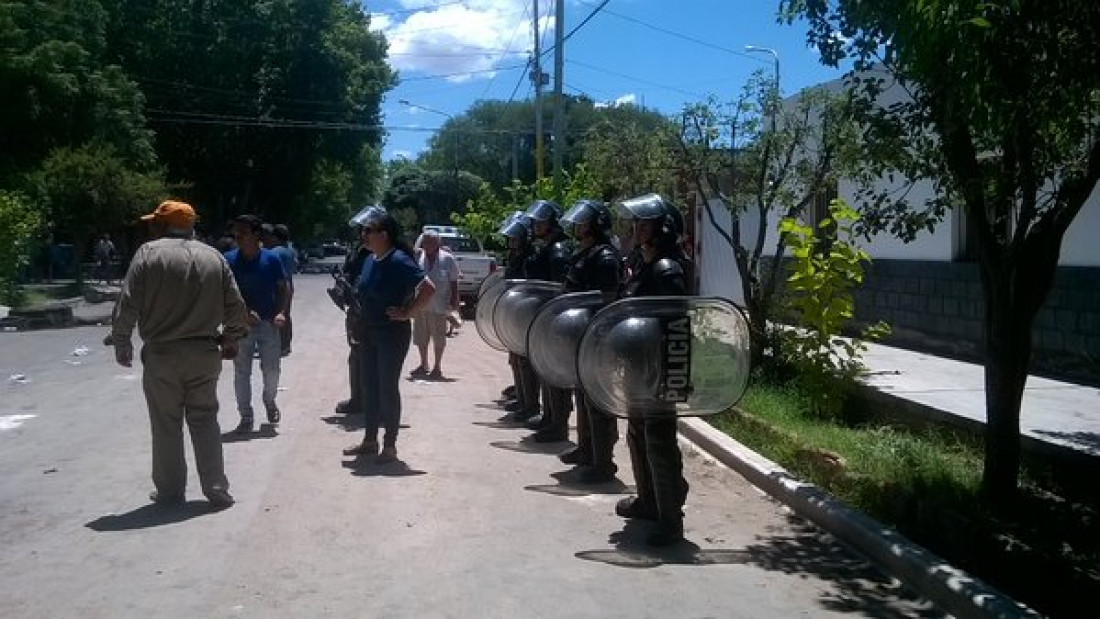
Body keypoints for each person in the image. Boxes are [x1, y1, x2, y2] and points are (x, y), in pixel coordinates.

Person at [106, 200, 248, 509]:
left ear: (159, 225)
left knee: (166, 424)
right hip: (205, 352)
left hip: (163, 355)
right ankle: (215, 488)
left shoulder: (148, 254)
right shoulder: (214, 257)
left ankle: (170, 492)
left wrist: (121, 340)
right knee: (205, 420)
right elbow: (237, 307)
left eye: (152, 223)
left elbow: (127, 302)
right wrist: (231, 338)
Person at [612, 193, 695, 546]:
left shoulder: (667, 268)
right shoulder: (647, 264)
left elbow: (672, 324)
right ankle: (649, 501)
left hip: (659, 366)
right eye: (637, 223)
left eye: (644, 223)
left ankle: (670, 518)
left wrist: (670, 373)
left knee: (658, 440)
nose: (637, 229)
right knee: (638, 433)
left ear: (662, 228)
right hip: (639, 364)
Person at [342, 207, 435, 464]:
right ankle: (370, 441)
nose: (364, 235)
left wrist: (408, 313)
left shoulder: (398, 260)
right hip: (369, 332)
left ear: (384, 234)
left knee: (387, 389)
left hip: (391, 335)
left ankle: (390, 446)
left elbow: (428, 288)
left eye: (368, 231)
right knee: (369, 387)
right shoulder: (371, 260)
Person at [557, 199, 623, 483]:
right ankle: (587, 450)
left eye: (584, 222)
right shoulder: (587, 252)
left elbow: (604, 301)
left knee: (597, 401)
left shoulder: (605, 257)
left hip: (597, 337)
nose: (579, 226)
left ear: (596, 225)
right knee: (583, 398)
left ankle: (603, 461)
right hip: (581, 335)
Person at [224, 214, 290, 434]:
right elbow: (222, 293)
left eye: (242, 232)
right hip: (239, 326)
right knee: (241, 372)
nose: (238, 236)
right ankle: (246, 416)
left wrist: (281, 313)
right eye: (235, 233)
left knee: (272, 370)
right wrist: (242, 313)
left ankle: (269, 400)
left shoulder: (271, 259)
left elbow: (284, 288)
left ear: (256, 234)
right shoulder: (229, 260)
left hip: (268, 324)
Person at [521, 199, 575, 442]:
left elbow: (558, 289)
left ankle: (558, 424)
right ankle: (550, 419)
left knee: (554, 374)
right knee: (546, 372)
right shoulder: (547, 247)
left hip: (554, 320)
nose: (536, 225)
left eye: (541, 221)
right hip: (544, 319)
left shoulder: (559, 250)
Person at [497, 211, 539, 422]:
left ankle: (531, 405)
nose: (512, 241)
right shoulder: (516, 256)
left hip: (527, 314)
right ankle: (524, 400)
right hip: (516, 312)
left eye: (516, 237)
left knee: (526, 361)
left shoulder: (531, 256)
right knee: (516, 359)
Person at [333, 209, 373, 416]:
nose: (362, 235)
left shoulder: (383, 254)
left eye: (367, 231)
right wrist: (341, 287)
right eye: (361, 231)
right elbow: (349, 272)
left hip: (375, 314)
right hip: (356, 312)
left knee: (373, 358)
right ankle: (357, 400)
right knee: (356, 356)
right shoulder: (358, 251)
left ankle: (374, 403)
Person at [409, 230, 460, 380]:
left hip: (440, 304)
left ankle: (437, 367)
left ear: (437, 243)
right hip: (421, 303)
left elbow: (454, 281)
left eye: (429, 241)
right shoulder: (419, 256)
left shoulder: (448, 259)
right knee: (420, 336)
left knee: (439, 337)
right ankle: (423, 363)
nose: (426, 244)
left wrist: (454, 302)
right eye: (424, 241)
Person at [263, 223, 297, 356]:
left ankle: (277, 345)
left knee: (277, 315)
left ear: (275, 237)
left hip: (278, 286)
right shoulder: (289, 251)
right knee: (286, 315)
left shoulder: (274, 252)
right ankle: (286, 345)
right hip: (290, 283)